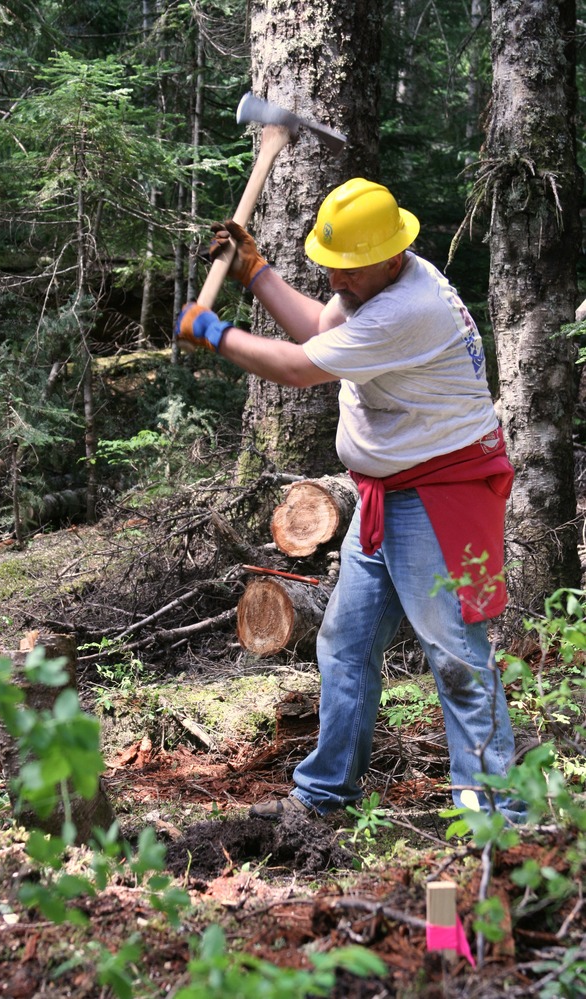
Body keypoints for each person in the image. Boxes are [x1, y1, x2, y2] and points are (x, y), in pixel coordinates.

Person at [175, 177, 525, 823]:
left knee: (455, 655)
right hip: (388, 493)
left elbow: (298, 365)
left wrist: (217, 334)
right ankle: (326, 792)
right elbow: (318, 324)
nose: (336, 281)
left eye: (347, 270)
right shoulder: (377, 280)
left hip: (439, 497)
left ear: (391, 258)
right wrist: (255, 271)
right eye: (330, 268)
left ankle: (500, 822)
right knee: (344, 640)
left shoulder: (406, 308)